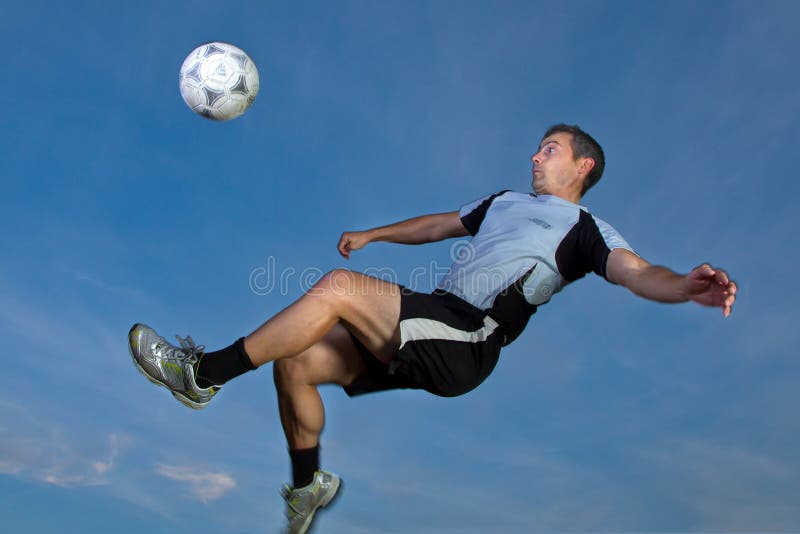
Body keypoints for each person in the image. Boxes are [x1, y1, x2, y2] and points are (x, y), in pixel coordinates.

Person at [128, 124, 737, 534]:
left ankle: (201, 374)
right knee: (295, 361)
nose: (535, 156)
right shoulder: (504, 201)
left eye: (549, 149)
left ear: (584, 164)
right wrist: (373, 234)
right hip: (431, 319)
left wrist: (685, 285)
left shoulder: (585, 231)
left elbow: (637, 273)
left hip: (469, 337)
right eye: (537, 148)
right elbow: (438, 225)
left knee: (338, 290)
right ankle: (307, 485)